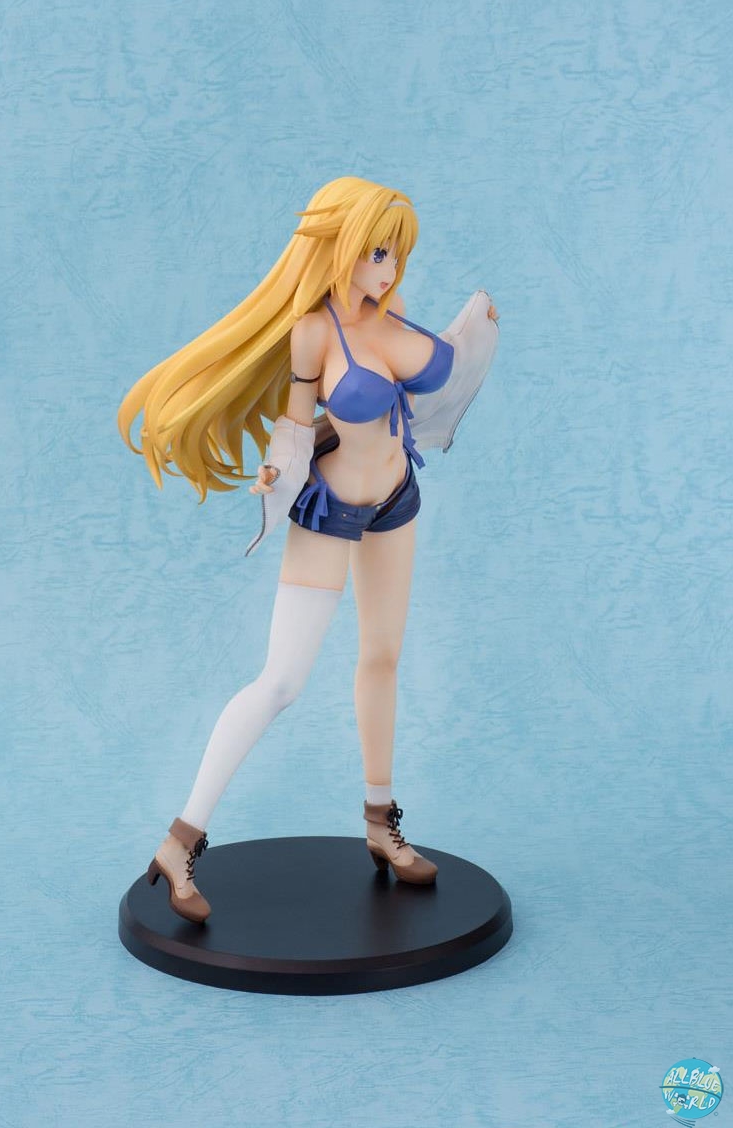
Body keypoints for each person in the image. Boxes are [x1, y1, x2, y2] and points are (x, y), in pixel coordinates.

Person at [117, 176, 499, 923]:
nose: (388, 268)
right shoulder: (314, 332)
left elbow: (445, 370)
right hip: (331, 509)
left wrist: (479, 325)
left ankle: (380, 823)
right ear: (341, 250)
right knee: (281, 681)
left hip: (397, 497)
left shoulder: (394, 319)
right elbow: (296, 426)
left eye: (396, 253)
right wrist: (275, 469)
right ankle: (180, 838)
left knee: (383, 658)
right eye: (376, 253)